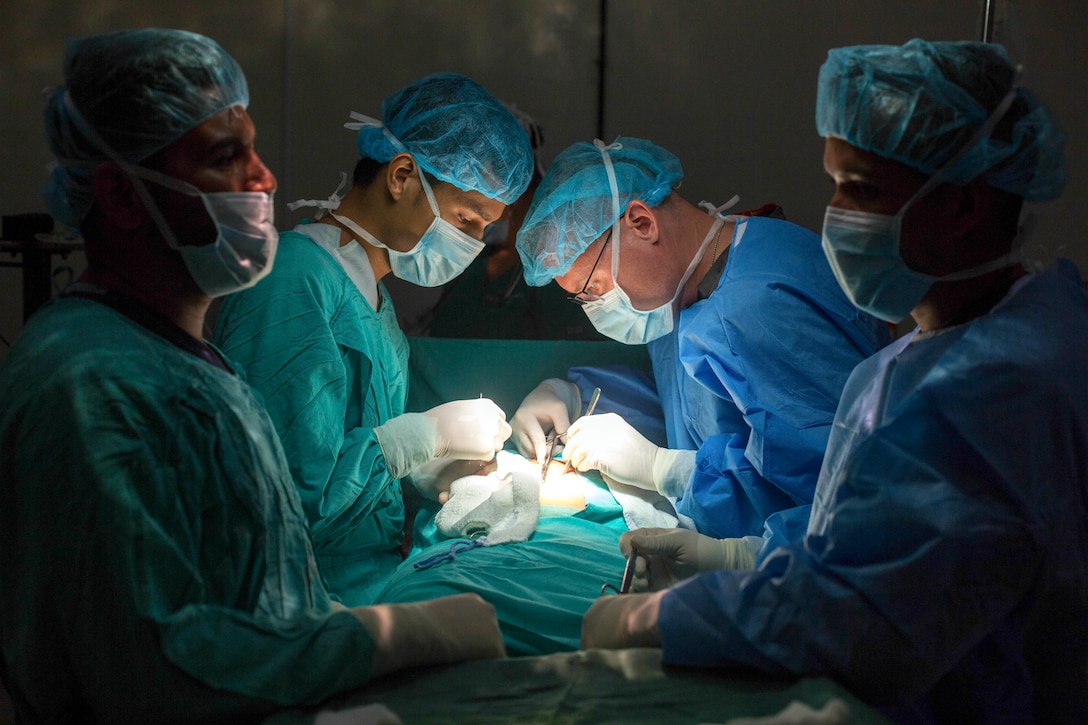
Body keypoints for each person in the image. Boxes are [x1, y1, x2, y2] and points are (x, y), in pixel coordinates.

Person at [0, 29, 504, 723]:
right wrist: (380, 638)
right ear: (119, 196)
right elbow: (153, 669)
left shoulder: (179, 357)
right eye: (225, 157)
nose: (265, 179)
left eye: (254, 149)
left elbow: (249, 569)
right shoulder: (93, 386)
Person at [581, 39, 1087, 723]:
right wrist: (751, 554)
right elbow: (881, 547)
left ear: (965, 206)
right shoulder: (977, 335)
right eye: (834, 184)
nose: (834, 216)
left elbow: (860, 623)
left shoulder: (991, 392)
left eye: (864, 190)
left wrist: (660, 616)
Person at [213, 73, 534, 605]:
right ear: (403, 175)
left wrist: (432, 469)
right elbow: (286, 504)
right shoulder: (293, 282)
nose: (475, 243)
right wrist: (419, 438)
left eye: (484, 228)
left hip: (365, 576)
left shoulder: (376, 305)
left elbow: (355, 460)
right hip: (305, 597)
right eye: (466, 219)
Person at [510, 135, 891, 559]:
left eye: (593, 288)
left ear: (641, 223)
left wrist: (669, 474)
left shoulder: (762, 308)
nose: (597, 307)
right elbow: (692, 406)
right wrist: (574, 396)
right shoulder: (683, 290)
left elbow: (835, 497)